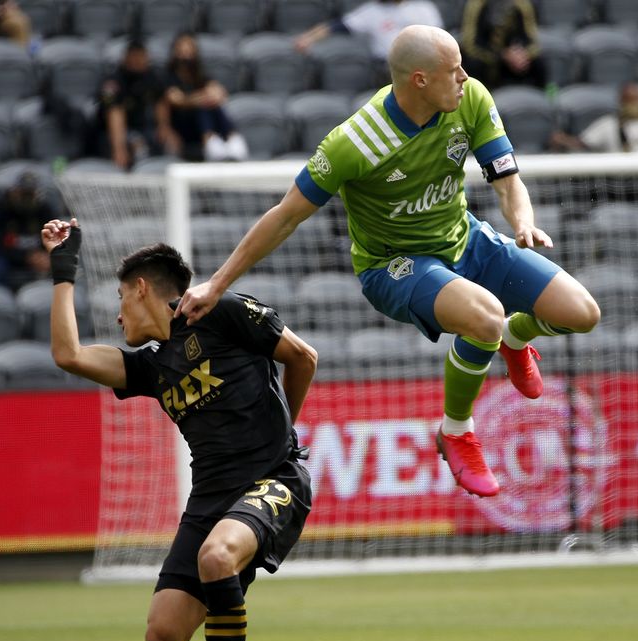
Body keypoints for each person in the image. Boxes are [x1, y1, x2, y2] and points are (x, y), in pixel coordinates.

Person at [175, 24, 600, 498]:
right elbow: (284, 216)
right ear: (419, 79)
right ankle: (457, 431)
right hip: (395, 266)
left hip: (468, 240)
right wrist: (215, 284)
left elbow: (506, 181)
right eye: (452, 69)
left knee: (581, 313)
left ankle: (515, 336)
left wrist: (522, 221)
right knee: (484, 316)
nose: (465, 76)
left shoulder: (472, 100)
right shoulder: (354, 142)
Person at [42, 217, 317, 641]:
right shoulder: (148, 367)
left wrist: (283, 437)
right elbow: (67, 354)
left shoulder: (220, 310)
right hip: (210, 499)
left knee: (219, 558)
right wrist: (62, 267)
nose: (118, 316)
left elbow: (303, 358)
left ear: (143, 288)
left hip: (274, 479)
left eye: (120, 298)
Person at [294, 0, 443, 81]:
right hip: (387, 66)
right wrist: (308, 38)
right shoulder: (371, 11)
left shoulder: (424, 7)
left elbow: (439, 37)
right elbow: (337, 26)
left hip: (423, 62)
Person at [163, 33, 248, 163]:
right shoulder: (169, 77)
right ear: (175, 50)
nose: (186, 51)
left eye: (189, 47)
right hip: (182, 124)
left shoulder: (200, 75)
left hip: (203, 120)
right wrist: (202, 97)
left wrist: (208, 96)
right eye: (183, 47)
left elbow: (220, 93)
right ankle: (215, 143)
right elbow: (177, 100)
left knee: (211, 105)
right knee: (203, 106)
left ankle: (230, 141)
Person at [99, 39, 173, 170]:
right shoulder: (112, 82)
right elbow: (114, 112)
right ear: (125, 58)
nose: (137, 61)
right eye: (134, 56)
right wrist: (119, 148)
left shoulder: (151, 76)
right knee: (138, 145)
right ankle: (140, 181)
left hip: (142, 126)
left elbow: (161, 100)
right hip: (108, 131)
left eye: (141, 56)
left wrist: (164, 126)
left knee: (170, 142)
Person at [0, 171, 59, 288]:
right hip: (7, 256)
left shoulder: (44, 210)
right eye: (24, 193)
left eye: (30, 194)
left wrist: (46, 255)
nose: (27, 198)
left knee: (60, 264)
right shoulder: (0, 208)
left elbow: (54, 241)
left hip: (36, 256)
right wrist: (25, 257)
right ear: (15, 191)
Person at [459, 0, 545, 90]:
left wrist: (523, 55)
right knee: (473, 63)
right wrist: (503, 56)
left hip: (516, 58)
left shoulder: (522, 4)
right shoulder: (476, 4)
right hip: (487, 57)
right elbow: (469, 45)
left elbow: (533, 43)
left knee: (540, 61)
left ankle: (543, 97)